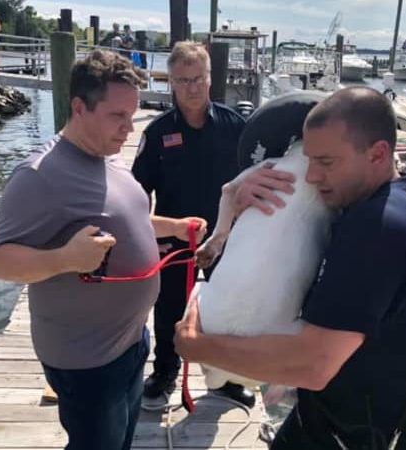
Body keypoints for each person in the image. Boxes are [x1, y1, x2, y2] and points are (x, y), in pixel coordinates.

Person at [175, 86, 406, 449]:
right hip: (328, 420)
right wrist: (246, 197)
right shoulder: (386, 201)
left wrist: (196, 347)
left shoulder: (377, 228)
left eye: (326, 162)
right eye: (308, 160)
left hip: (376, 437)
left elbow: (313, 365)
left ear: (378, 154)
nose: (311, 176)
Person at [0, 50, 206, 450]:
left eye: (132, 114)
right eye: (116, 116)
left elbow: (127, 218)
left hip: (130, 343)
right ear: (78, 107)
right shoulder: (38, 177)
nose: (128, 128)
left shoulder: (107, 158)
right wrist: (64, 259)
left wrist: (172, 227)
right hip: (86, 361)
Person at [131, 41, 252, 406]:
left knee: (228, 309)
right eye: (182, 80)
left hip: (226, 237)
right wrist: (155, 233)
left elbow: (255, 181)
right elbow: (137, 196)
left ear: (210, 78)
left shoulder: (237, 128)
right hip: (175, 237)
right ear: (171, 83)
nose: (191, 87)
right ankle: (165, 371)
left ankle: (223, 378)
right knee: (169, 307)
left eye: (198, 78)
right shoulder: (156, 133)